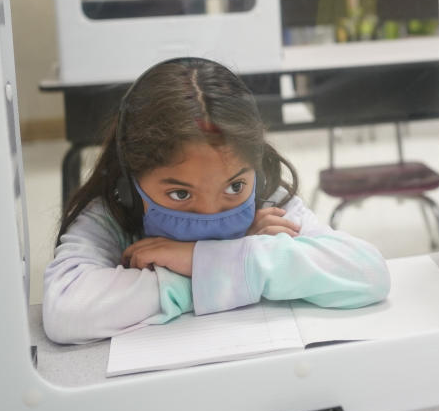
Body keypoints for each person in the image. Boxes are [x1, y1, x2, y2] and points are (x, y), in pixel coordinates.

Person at [43, 57, 391, 345]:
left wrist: (198, 260)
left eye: (234, 187)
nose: (210, 211)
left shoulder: (267, 197)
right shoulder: (112, 212)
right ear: (131, 186)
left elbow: (367, 273)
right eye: (180, 194)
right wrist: (230, 269)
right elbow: (67, 312)